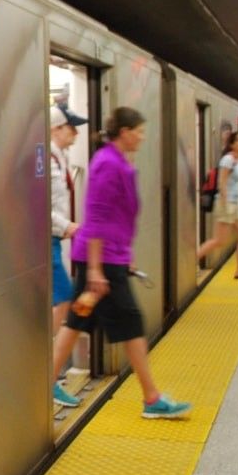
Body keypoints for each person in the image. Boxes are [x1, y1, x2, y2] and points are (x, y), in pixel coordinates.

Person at [49, 107, 192, 418]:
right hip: (101, 262)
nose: (141, 137)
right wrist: (98, 269)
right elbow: (98, 217)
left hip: (106, 257)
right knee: (131, 324)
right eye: (138, 131)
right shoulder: (107, 164)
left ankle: (46, 383)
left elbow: (116, 218)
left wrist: (123, 256)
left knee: (76, 319)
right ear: (124, 132)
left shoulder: (115, 162)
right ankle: (152, 399)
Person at [48, 105, 87, 408]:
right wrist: (68, 225)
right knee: (64, 298)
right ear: (56, 128)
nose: (75, 133)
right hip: (47, 240)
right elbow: (40, 204)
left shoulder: (59, 159)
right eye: (71, 127)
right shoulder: (47, 160)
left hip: (54, 239)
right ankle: (50, 374)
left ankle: (50, 370)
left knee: (63, 299)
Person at [197, 131, 238, 279]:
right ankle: (193, 260)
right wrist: (225, 201)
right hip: (226, 202)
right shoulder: (227, 160)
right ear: (232, 144)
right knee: (220, 240)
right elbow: (221, 182)